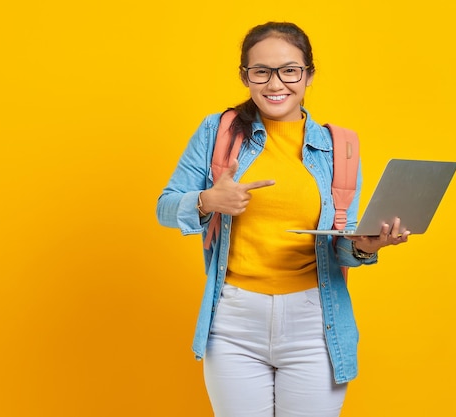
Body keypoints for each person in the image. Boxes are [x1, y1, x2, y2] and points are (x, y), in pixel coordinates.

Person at [156, 21, 410, 417]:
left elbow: (341, 243)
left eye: (289, 70)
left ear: (308, 75)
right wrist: (208, 199)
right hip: (234, 321)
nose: (276, 84)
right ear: (246, 76)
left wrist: (364, 246)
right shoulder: (216, 131)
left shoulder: (339, 148)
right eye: (261, 71)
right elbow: (165, 208)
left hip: (315, 322)